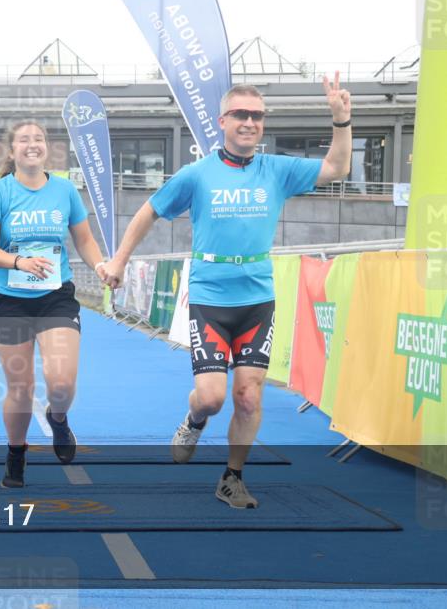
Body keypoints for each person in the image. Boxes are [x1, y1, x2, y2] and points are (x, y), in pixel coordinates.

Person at [103, 77, 353, 509]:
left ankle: (232, 478)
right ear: (223, 121)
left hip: (257, 298)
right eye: (241, 114)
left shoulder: (277, 169)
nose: (250, 122)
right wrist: (120, 260)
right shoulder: (197, 174)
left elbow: (337, 168)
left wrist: (341, 120)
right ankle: (194, 417)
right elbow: (149, 210)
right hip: (210, 298)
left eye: (257, 116)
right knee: (214, 398)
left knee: (249, 394)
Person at [0, 120, 107, 488]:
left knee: (61, 381)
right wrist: (19, 262)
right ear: (12, 150)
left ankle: (59, 418)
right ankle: (16, 453)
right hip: (9, 300)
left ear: (47, 147)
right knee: (21, 388)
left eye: (38, 139)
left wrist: (99, 265)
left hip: (55, 299)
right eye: (24, 140)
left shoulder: (64, 190)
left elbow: (84, 239)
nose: (32, 144)